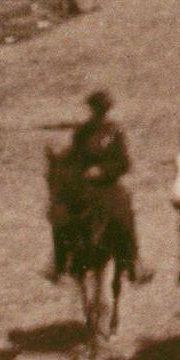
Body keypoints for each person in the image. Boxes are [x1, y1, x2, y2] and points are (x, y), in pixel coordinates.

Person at [49, 90, 151, 284]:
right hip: (84, 186)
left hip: (108, 187)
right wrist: (62, 159)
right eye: (96, 109)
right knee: (61, 215)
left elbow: (124, 162)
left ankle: (134, 263)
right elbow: (74, 156)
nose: (99, 113)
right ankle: (58, 263)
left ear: (107, 110)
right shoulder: (82, 132)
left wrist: (103, 171)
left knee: (124, 214)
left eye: (102, 109)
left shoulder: (115, 132)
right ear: (91, 109)